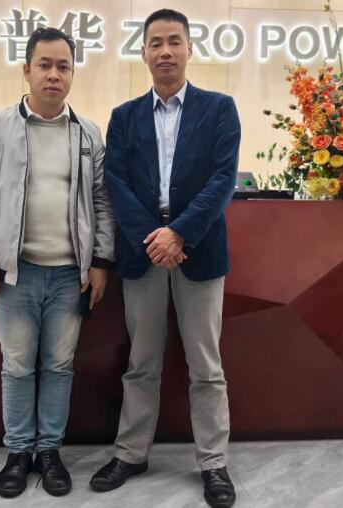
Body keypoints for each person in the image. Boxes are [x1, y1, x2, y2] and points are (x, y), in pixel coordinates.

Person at [89, 9, 241, 508]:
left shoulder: (219, 109)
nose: (166, 51)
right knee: (141, 362)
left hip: (199, 250)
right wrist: (154, 239)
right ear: (144, 52)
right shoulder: (124, 116)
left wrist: (178, 234)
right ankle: (131, 453)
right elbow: (117, 183)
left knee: (207, 366)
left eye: (175, 41)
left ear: (190, 48)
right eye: (156, 43)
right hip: (143, 254)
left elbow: (223, 181)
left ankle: (213, 463)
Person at [0, 27, 115, 499]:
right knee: (18, 366)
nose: (53, 75)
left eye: (63, 66)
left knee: (60, 366)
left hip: (70, 275)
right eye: (44, 65)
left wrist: (100, 261)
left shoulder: (88, 133)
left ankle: (49, 451)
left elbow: (102, 202)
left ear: (72, 74)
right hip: (15, 273)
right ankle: (18, 453)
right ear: (26, 70)